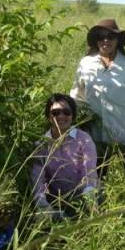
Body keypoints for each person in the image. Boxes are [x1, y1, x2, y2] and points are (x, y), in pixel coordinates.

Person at [70, 19, 125, 180]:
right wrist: (75, 129)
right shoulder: (86, 63)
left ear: (118, 40)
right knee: (96, 181)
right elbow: (76, 97)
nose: (105, 40)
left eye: (110, 36)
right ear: (96, 40)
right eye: (101, 36)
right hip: (95, 137)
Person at [31, 93, 100, 221]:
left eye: (66, 112)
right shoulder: (41, 145)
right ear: (49, 116)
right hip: (57, 199)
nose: (61, 116)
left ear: (72, 116)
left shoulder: (83, 139)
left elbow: (90, 173)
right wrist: (41, 203)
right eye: (56, 112)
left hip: (85, 195)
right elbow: (38, 179)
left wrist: (90, 200)